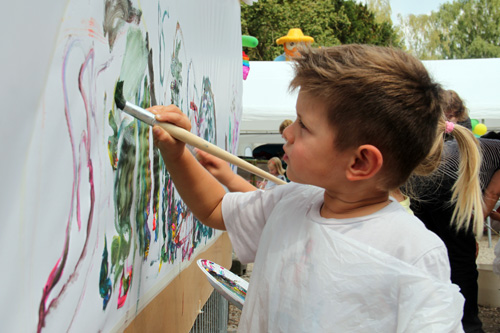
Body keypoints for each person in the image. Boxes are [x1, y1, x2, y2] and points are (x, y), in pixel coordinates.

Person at [150, 44, 481, 331]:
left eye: (304, 126)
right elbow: (214, 208)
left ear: (361, 163)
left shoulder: (413, 250)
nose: (288, 133)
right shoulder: (291, 200)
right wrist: (175, 151)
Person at [405, 91, 500, 333]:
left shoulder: (416, 157)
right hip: (455, 234)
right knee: (459, 267)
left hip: (438, 237)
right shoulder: (476, 147)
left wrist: (488, 198)